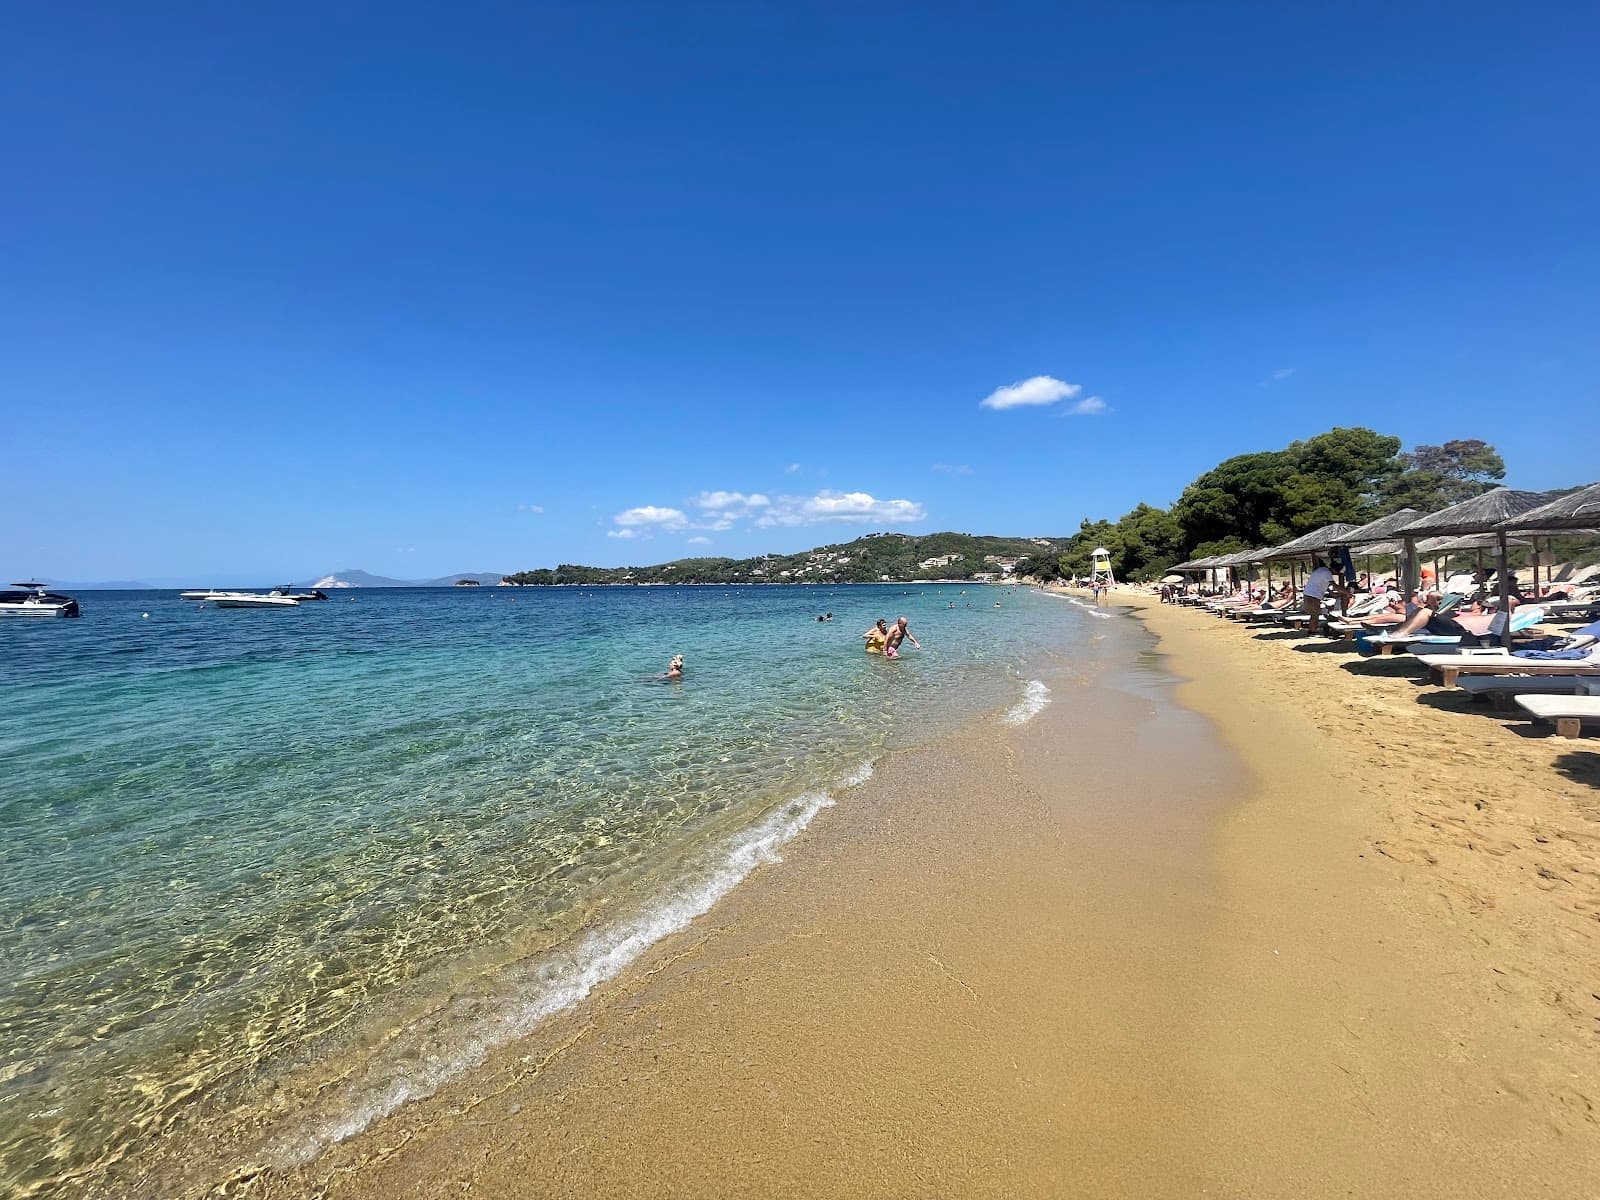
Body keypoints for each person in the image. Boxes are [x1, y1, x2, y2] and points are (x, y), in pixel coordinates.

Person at [1302, 557, 1335, 634]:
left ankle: (1311, 630)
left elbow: (1321, 584)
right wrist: (1346, 592)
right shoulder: (1326, 572)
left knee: (1314, 614)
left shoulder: (1320, 571)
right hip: (1313, 596)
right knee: (1315, 614)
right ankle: (1312, 631)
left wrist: (1331, 592)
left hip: (1309, 594)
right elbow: (1334, 585)